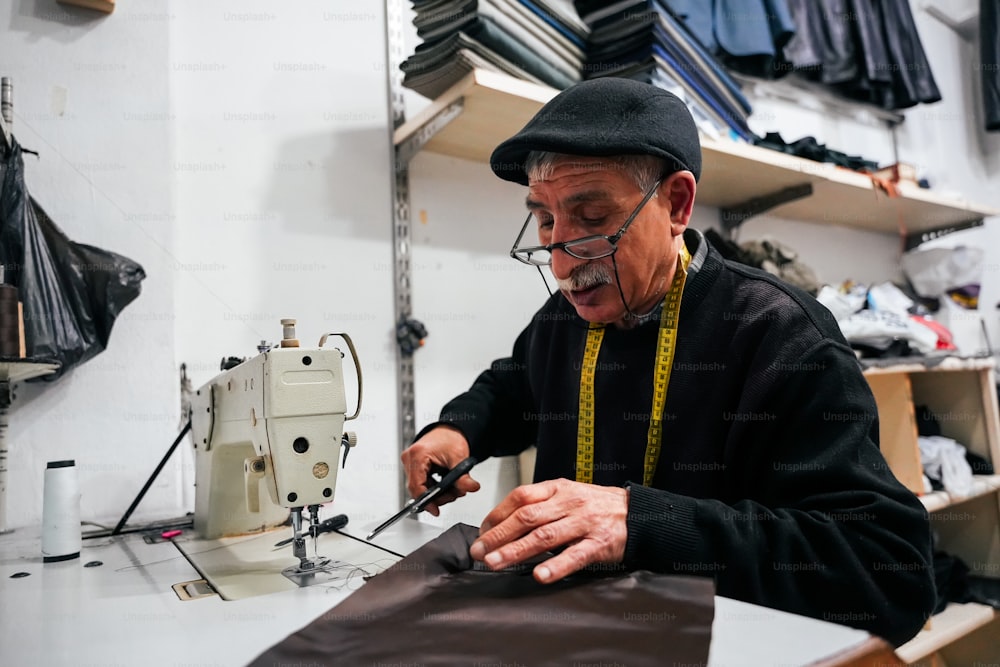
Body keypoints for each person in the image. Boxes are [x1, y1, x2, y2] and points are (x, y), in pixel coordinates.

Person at [401, 77, 934, 646]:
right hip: (583, 637)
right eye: (547, 221)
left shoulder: (780, 337)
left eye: (591, 216)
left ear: (676, 203)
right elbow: (512, 388)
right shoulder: (566, 318)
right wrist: (458, 428)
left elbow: (890, 575)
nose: (560, 264)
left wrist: (642, 524)